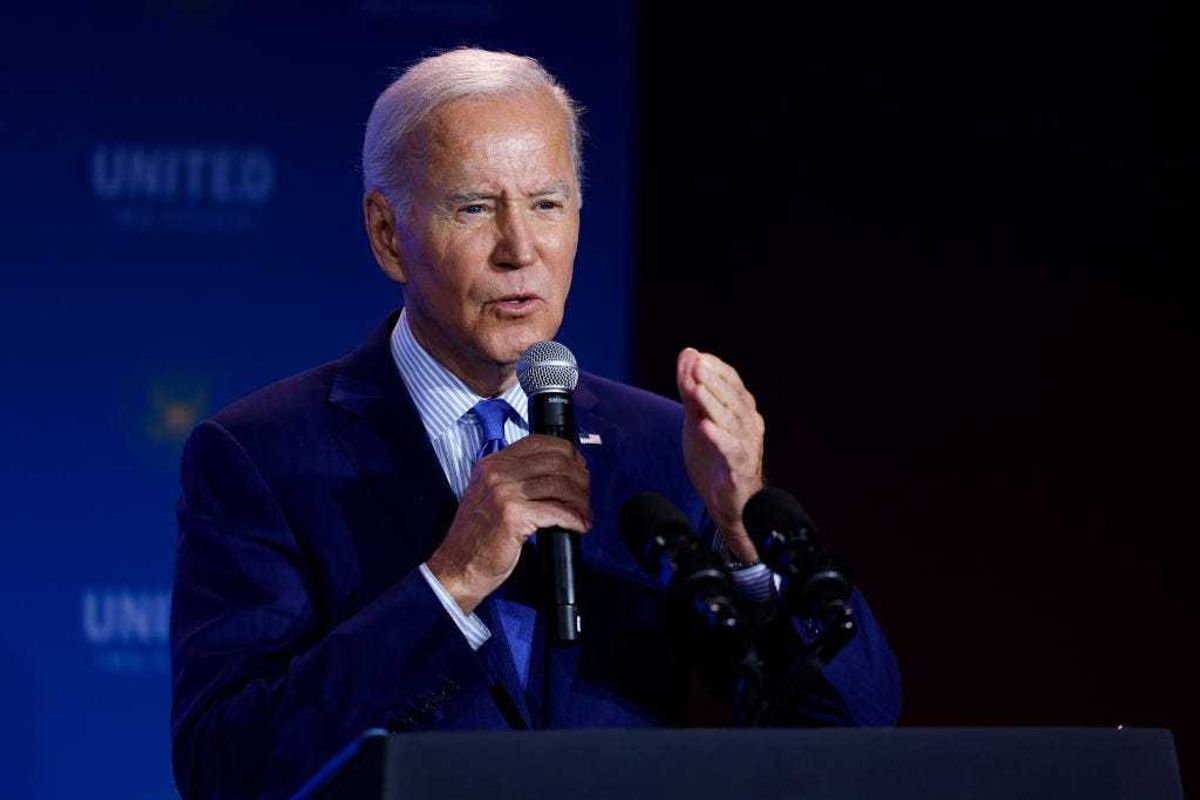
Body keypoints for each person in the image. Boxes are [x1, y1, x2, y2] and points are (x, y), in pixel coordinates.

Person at [169, 47, 901, 799]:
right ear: (389, 235)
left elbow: (852, 731)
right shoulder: (263, 455)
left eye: (547, 204)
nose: (521, 251)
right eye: (476, 208)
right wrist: (448, 583)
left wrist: (745, 530)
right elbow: (226, 767)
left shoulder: (659, 447)